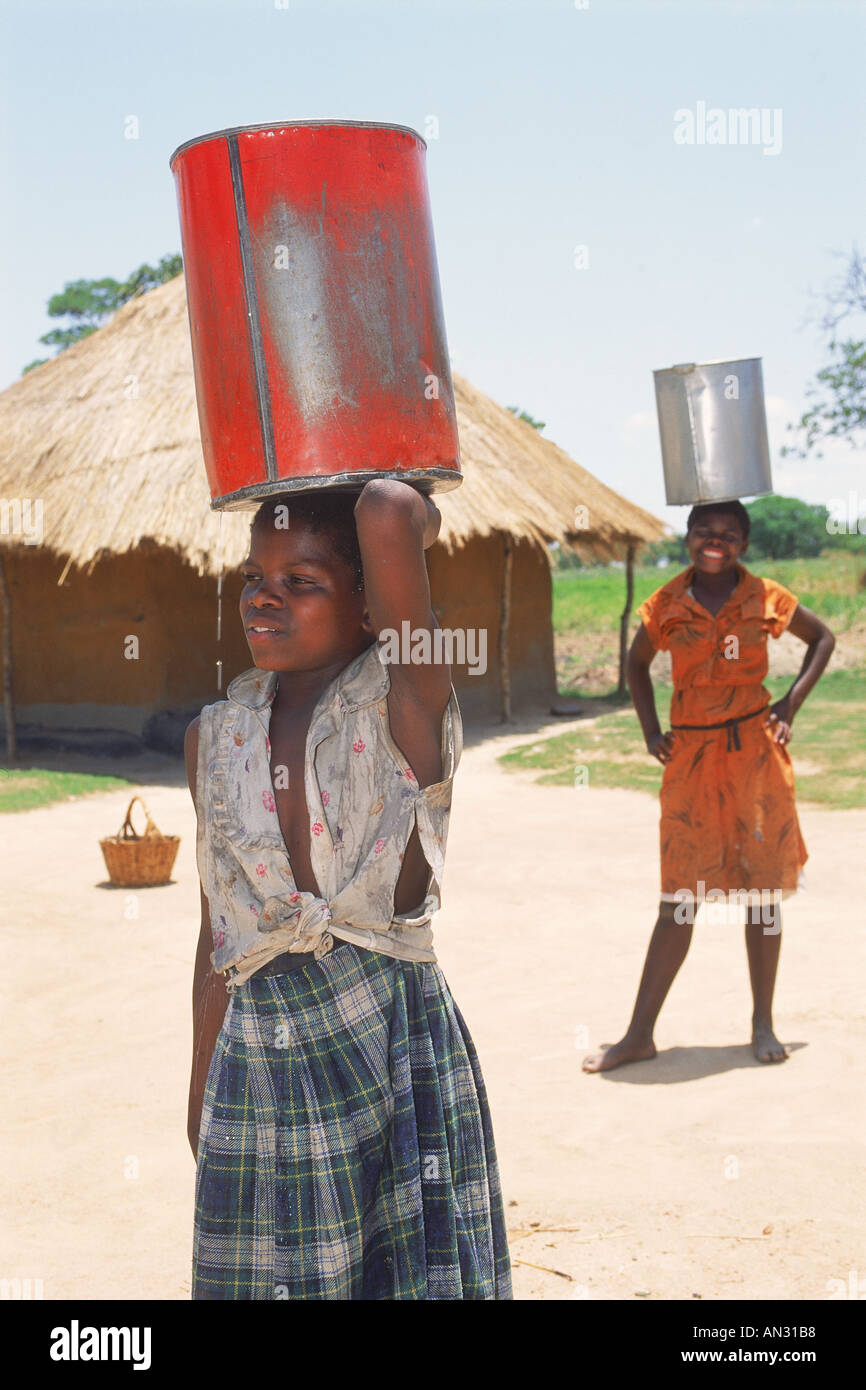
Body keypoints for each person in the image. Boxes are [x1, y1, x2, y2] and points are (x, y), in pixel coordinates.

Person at [184, 480, 512, 1300]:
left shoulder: (407, 703)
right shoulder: (212, 737)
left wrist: (417, 513)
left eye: (303, 581)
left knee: (405, 1274)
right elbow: (217, 930)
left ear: (370, 607)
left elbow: (389, 509)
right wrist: (200, 1081)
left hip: (393, 1040)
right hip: (261, 1053)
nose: (266, 596)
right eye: (255, 576)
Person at [583, 500, 835, 1074]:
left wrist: (790, 706)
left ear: (743, 542)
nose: (714, 541)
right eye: (704, 532)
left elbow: (823, 639)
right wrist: (650, 731)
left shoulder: (766, 596)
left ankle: (763, 1022)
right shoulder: (665, 605)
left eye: (727, 533)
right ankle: (638, 1035)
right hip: (692, 760)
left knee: (763, 890)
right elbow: (636, 665)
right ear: (689, 537)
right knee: (679, 897)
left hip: (754, 758)